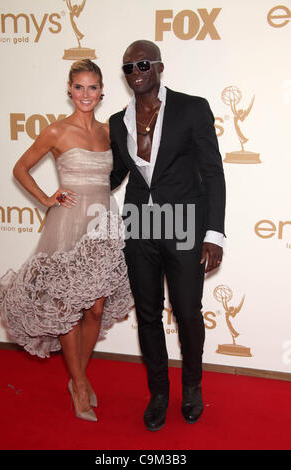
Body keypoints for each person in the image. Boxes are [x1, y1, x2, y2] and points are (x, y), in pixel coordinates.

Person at [0, 59, 132, 422]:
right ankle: (80, 384)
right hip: (68, 223)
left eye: (92, 87)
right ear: (69, 91)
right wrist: (45, 199)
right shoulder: (56, 131)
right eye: (78, 87)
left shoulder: (109, 132)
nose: (85, 94)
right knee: (69, 308)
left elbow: (114, 175)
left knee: (97, 308)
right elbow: (20, 168)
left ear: (102, 91)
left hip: (102, 223)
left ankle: (79, 377)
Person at [109, 40, 226, 431]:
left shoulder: (192, 108)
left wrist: (214, 233)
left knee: (188, 313)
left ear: (158, 66)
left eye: (142, 63)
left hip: (184, 224)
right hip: (140, 226)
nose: (136, 71)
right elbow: (115, 176)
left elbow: (212, 173)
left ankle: (191, 386)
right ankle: (159, 392)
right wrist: (76, 185)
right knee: (147, 315)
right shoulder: (117, 121)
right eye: (128, 67)